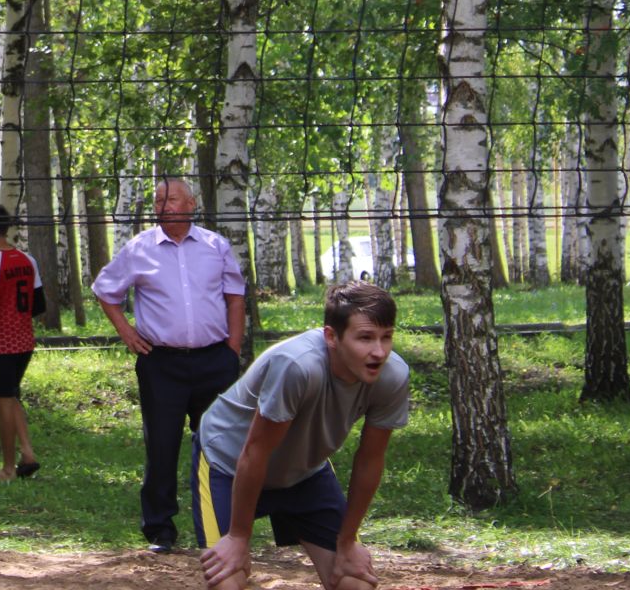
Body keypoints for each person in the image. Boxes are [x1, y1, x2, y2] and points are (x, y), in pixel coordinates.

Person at [194, 282, 408, 590]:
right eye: (365, 338)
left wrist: (347, 541)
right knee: (227, 577)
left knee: (354, 580)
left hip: (305, 471)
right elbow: (255, 452)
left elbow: (370, 459)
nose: (379, 351)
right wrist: (239, 537)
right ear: (331, 337)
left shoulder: (392, 376)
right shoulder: (297, 366)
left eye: (386, 337)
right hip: (230, 461)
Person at [91, 177, 248, 553]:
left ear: (191, 203)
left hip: (215, 360)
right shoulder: (138, 249)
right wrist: (127, 332)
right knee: (161, 446)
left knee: (221, 446)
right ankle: (161, 530)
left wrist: (232, 350)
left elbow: (236, 298)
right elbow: (105, 289)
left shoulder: (216, 245)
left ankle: (224, 527)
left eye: (172, 198)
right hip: (161, 364)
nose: (164, 205)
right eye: (159, 199)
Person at [0, 204, 45, 480]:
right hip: (25, 340)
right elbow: (39, 304)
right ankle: (27, 454)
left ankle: (7, 468)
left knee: (2, 402)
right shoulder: (28, 260)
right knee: (12, 395)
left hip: (2, 343)